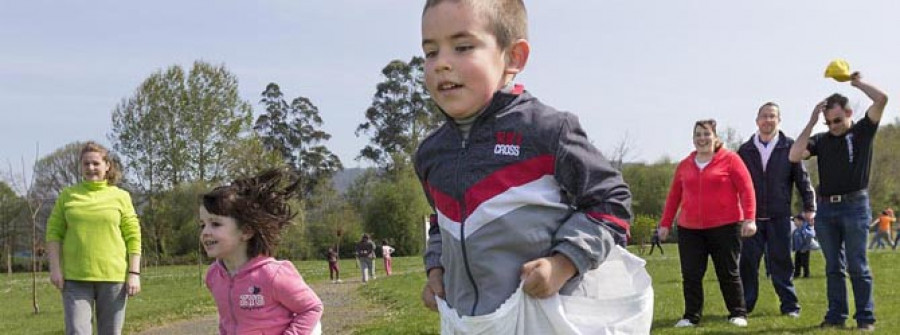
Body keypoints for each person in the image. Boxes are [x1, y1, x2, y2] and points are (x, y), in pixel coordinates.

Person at [416, 0, 632, 325]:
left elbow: (611, 203)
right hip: (466, 323)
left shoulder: (548, 131)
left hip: (543, 318)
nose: (441, 64)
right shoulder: (430, 154)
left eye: (462, 46)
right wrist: (436, 267)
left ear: (513, 57)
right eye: (431, 52)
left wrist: (563, 263)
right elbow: (442, 223)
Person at [788, 71, 888, 331]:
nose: (832, 126)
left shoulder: (863, 132)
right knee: (833, 267)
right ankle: (835, 316)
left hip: (855, 206)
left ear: (848, 113)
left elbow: (881, 99)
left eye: (836, 120)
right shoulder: (821, 140)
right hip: (826, 209)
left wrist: (857, 83)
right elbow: (795, 155)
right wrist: (811, 122)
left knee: (857, 265)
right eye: (828, 122)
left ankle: (865, 319)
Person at [658, 119, 758, 328]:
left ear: (715, 137)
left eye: (706, 134)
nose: (702, 139)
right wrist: (665, 224)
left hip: (726, 226)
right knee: (691, 274)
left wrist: (750, 218)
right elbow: (674, 197)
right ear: (693, 139)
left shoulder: (730, 160)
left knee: (728, 272)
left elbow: (746, 189)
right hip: (690, 229)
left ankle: (738, 313)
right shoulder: (685, 164)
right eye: (698, 135)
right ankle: (691, 316)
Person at [200, 169, 323, 334]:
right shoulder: (213, 276)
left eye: (215, 224)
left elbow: (312, 308)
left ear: (246, 231)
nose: (205, 232)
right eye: (202, 225)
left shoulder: (272, 275)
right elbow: (226, 321)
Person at [45, 141, 141, 335]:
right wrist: (55, 269)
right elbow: (53, 233)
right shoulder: (67, 196)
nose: (91, 168)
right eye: (86, 164)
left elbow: (133, 235)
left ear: (107, 166)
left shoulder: (120, 196)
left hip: (113, 278)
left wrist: (134, 273)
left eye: (96, 163)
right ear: (81, 167)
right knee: (77, 331)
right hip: (75, 279)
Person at [737, 102, 816, 318]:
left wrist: (809, 206)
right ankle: (744, 307)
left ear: (779, 120)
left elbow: (803, 179)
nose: (768, 120)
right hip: (751, 219)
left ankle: (790, 306)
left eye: (772, 116)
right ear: (757, 120)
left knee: (781, 263)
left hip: (779, 217)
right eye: (764, 116)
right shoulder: (745, 150)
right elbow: (735, 184)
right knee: (747, 264)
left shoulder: (790, 146)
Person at [792, 214, 816, 278]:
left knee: (805, 262)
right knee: (797, 262)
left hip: (805, 250)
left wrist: (805, 248)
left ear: (801, 221)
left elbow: (809, 237)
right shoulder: (796, 231)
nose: (794, 223)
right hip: (798, 249)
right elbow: (794, 240)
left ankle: (806, 274)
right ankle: (797, 273)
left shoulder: (805, 230)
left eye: (796, 221)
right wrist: (794, 248)